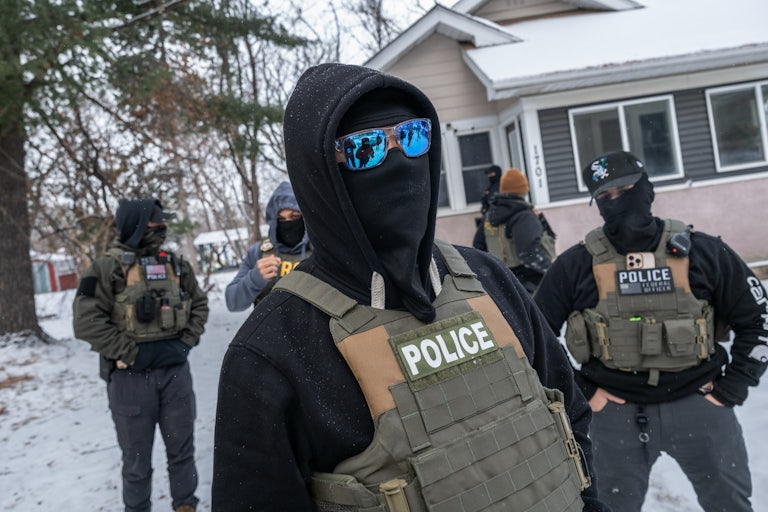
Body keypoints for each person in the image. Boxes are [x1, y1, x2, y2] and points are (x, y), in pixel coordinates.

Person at [212, 63, 609, 512]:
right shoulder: (275, 349)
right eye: (366, 148)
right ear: (320, 176)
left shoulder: (488, 278)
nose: (400, 160)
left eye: (414, 135)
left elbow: (568, 420)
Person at [534, 150, 768, 512]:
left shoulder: (703, 252)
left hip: (699, 405)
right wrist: (582, 391)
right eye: (605, 197)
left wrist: (733, 386)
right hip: (612, 417)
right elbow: (534, 336)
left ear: (647, 189)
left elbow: (758, 319)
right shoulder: (576, 264)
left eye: (626, 189)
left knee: (731, 506)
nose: (617, 202)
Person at [73, 198, 209, 512]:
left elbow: (199, 305)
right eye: (154, 223)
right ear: (135, 225)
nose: (161, 228)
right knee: (136, 462)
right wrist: (132, 353)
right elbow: (85, 322)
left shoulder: (176, 264)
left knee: (182, 452)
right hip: (129, 379)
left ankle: (185, 505)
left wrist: (185, 342)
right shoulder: (106, 267)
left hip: (175, 375)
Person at [224, 181, 311, 312]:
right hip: (271, 330)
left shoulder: (320, 250)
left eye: (294, 216)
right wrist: (255, 278)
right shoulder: (258, 252)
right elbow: (232, 302)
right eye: (281, 219)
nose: (288, 223)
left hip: (314, 329)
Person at [473, 168, 556, 294]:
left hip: (502, 282)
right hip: (530, 285)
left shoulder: (489, 215)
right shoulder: (524, 216)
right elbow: (528, 254)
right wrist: (551, 271)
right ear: (523, 190)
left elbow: (478, 245)